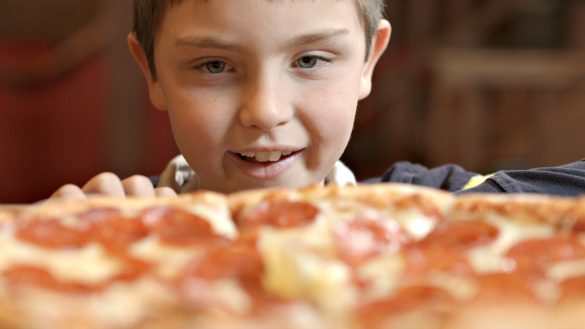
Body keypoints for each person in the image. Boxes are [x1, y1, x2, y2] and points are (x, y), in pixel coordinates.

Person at [51, 0, 585, 200]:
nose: (264, 111)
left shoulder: (416, 207)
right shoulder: (110, 239)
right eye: (214, 66)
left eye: (309, 61)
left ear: (368, 64)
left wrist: (444, 221)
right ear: (152, 72)